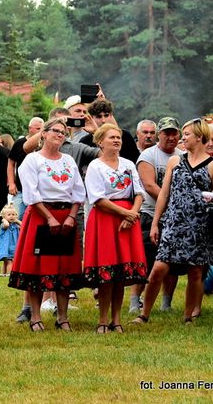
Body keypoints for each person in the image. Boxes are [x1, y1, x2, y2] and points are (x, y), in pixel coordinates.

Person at [132, 118, 213, 325]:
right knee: (159, 268)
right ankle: (144, 314)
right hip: (173, 222)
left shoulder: (212, 165)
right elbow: (163, 195)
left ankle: (188, 316)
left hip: (199, 225)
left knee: (196, 271)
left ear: (199, 136)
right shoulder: (175, 161)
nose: (182, 138)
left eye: (186, 134)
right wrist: (155, 223)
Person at [8, 118, 86, 332]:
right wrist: (49, 217)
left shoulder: (68, 161)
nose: (60, 135)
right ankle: (35, 316)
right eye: (56, 131)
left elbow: (78, 191)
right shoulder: (32, 160)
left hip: (65, 217)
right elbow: (31, 194)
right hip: (41, 216)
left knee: (63, 269)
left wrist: (70, 216)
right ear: (43, 133)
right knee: (38, 269)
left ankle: (62, 317)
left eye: (64, 132)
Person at [83, 123, 147, 333]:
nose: (117, 140)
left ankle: (116, 319)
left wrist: (133, 214)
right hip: (106, 219)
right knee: (106, 272)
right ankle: (102, 319)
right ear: (100, 142)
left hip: (127, 219)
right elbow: (97, 198)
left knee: (121, 273)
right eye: (112, 137)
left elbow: (139, 192)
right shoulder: (96, 166)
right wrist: (125, 213)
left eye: (118, 137)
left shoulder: (128, 164)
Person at [128, 117, 183, 313]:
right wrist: (173, 202)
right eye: (166, 133)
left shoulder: (183, 155)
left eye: (174, 133)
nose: (170, 137)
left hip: (176, 217)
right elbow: (149, 185)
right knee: (145, 259)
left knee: (171, 261)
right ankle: (135, 301)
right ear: (159, 134)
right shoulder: (148, 156)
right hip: (150, 214)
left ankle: (166, 303)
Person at [80, 98, 140, 163]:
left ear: (111, 115)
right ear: (91, 117)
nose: (103, 120)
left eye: (106, 115)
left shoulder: (125, 136)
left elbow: (136, 161)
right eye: (99, 116)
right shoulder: (85, 141)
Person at [8, 117, 44, 220]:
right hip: (21, 189)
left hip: (39, 191)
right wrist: (11, 183)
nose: (40, 132)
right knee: (15, 218)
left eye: (42, 129)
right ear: (30, 128)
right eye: (37, 129)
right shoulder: (20, 143)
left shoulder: (45, 143)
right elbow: (10, 163)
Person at [0, 204, 21, 277]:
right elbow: (6, 225)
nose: (12, 216)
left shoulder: (15, 225)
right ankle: (9, 274)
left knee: (6, 261)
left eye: (13, 214)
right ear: (4, 216)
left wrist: (17, 221)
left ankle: (3, 274)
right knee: (9, 261)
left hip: (12, 247)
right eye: (9, 215)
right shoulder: (4, 225)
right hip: (5, 247)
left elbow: (23, 225)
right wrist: (4, 219)